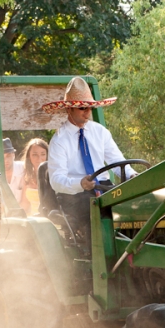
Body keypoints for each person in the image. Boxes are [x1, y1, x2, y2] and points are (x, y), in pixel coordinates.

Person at [43, 77, 136, 245]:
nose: (87, 112)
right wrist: (80, 183)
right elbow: (56, 180)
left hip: (104, 188)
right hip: (76, 196)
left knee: (134, 207)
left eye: (90, 108)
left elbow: (117, 161)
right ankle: (101, 261)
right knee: (95, 214)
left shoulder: (100, 132)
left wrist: (131, 174)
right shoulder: (59, 140)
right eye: (82, 108)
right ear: (69, 109)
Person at [19, 138, 48, 215]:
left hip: (49, 220)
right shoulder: (26, 177)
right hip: (33, 220)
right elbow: (24, 203)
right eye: (35, 155)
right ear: (29, 156)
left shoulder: (52, 176)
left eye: (43, 154)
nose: (39, 158)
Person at [3, 138, 25, 204]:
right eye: (2, 157)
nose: (6, 160)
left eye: (8, 156)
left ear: (13, 155)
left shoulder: (23, 168)